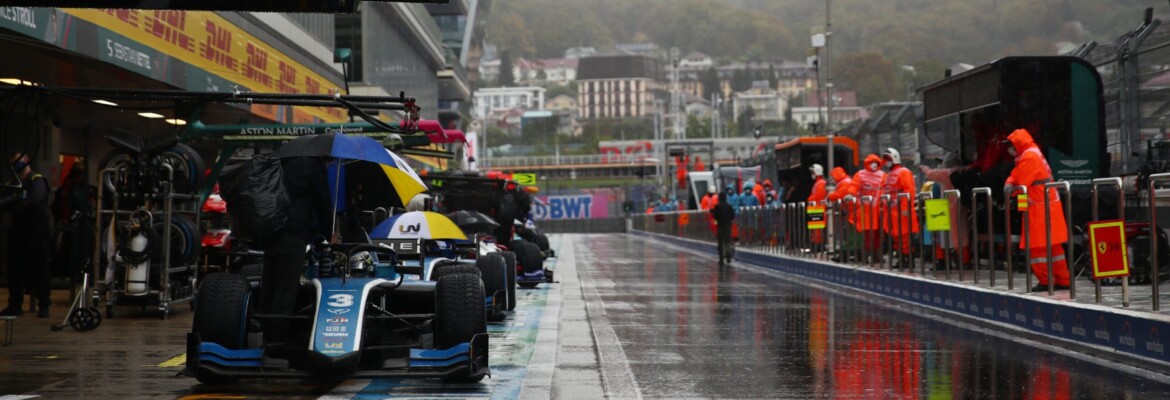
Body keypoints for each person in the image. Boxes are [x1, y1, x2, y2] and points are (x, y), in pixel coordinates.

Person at [259, 156, 332, 343]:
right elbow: (323, 201)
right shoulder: (313, 165)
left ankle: (261, 335)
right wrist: (327, 233)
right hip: (294, 231)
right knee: (287, 289)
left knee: (270, 284)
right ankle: (277, 342)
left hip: (271, 228)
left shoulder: (282, 163)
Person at [1003, 128, 1070, 291]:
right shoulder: (1031, 154)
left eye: (1010, 146)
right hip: (1047, 205)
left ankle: (1047, 280)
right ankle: (1062, 279)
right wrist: (1012, 182)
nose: (1009, 150)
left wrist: (1011, 187)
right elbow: (1018, 175)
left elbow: (1021, 181)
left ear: (1017, 144)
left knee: (1037, 247)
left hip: (1039, 208)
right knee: (1054, 247)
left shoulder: (1029, 156)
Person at [1, 153, 53, 317]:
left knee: (39, 267)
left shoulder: (37, 180)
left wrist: (16, 201)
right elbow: (4, 202)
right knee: (15, 270)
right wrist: (17, 200)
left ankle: (44, 304)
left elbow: (35, 201)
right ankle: (15, 305)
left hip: (36, 230)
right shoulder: (12, 183)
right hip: (18, 230)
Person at [881, 148, 919, 269]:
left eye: (888, 159)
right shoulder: (889, 175)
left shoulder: (903, 172)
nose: (887, 162)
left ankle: (908, 258)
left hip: (902, 212)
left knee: (905, 237)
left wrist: (905, 208)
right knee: (897, 237)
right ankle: (902, 258)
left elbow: (909, 190)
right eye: (885, 159)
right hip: (892, 212)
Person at [853, 154, 885, 263]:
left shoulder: (883, 175)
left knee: (878, 234)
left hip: (879, 209)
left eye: (876, 162)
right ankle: (866, 254)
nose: (874, 165)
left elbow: (887, 189)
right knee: (867, 233)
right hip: (864, 210)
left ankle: (876, 255)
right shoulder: (860, 175)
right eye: (871, 162)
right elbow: (854, 189)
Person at [827, 166, 858, 261]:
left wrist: (830, 196)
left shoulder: (844, 183)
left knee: (849, 233)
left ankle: (846, 253)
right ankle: (852, 252)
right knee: (850, 233)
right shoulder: (847, 181)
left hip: (851, 211)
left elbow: (840, 194)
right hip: (851, 210)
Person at [807, 164, 828, 250]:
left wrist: (810, 200)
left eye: (813, 172)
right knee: (816, 230)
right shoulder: (818, 183)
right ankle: (817, 245)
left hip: (818, 209)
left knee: (818, 231)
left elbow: (818, 196)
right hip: (815, 209)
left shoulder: (820, 183)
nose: (812, 174)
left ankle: (819, 246)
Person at [711, 191, 735, 265]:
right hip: (728, 226)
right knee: (727, 242)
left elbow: (715, 217)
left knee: (720, 242)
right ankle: (728, 258)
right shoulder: (729, 206)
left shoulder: (717, 206)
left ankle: (721, 259)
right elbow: (732, 216)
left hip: (720, 226)